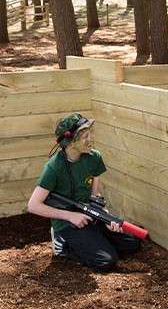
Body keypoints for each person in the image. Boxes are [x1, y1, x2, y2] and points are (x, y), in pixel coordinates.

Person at [27, 113, 141, 272]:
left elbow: (95, 196)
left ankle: (94, 239)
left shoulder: (94, 157)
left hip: (89, 215)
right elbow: (33, 205)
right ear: (71, 143)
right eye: (85, 137)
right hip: (67, 222)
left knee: (132, 243)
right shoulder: (54, 167)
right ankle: (63, 245)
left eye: (90, 134)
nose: (91, 139)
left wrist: (104, 217)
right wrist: (70, 216)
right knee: (105, 261)